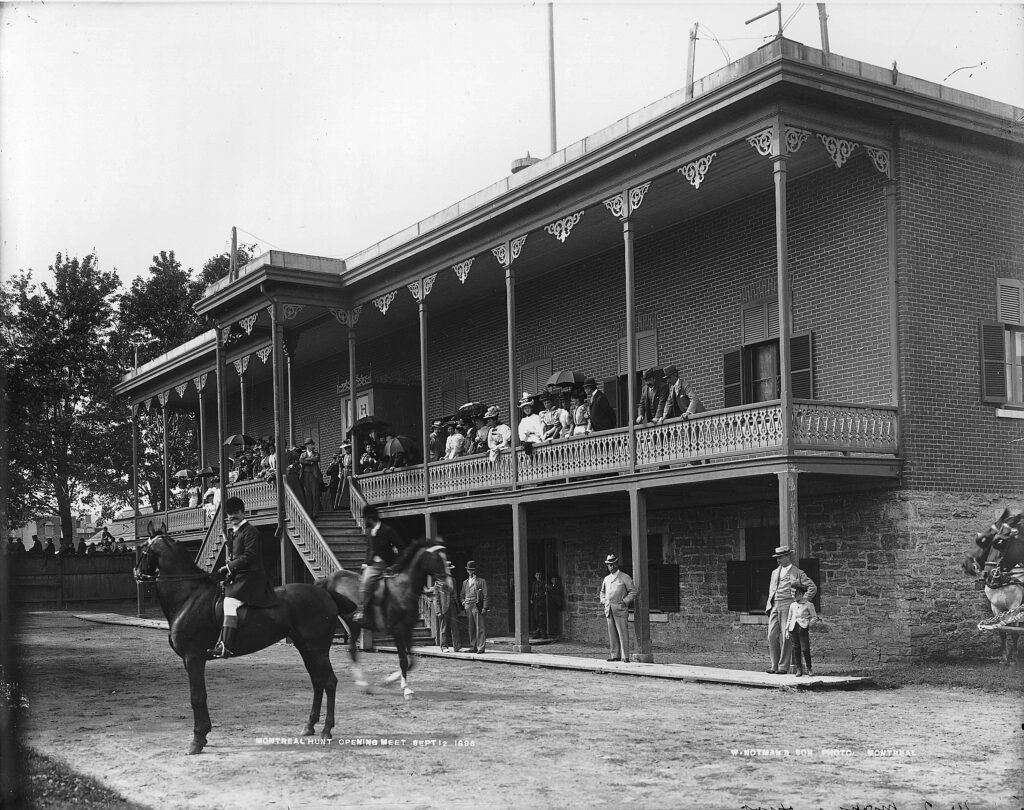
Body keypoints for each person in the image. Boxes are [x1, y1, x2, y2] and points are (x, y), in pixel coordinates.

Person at [206, 496, 278, 659]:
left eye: (236, 513)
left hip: (252, 576)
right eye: (229, 514)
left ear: (243, 512)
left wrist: (230, 566)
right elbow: (237, 556)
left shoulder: (251, 531)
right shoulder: (235, 532)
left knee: (230, 603)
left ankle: (226, 646)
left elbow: (250, 556)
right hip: (240, 575)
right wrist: (230, 560)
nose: (232, 517)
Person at [765, 544, 817, 674]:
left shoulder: (797, 573)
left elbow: (812, 587)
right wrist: (770, 605)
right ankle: (774, 665)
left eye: (780, 557)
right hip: (775, 605)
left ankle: (783, 667)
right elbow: (772, 590)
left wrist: (804, 602)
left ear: (787, 557)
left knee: (786, 636)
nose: (778, 560)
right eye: (777, 557)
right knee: (771, 635)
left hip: (788, 605)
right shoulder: (774, 572)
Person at [353, 505, 408, 624]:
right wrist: (365, 563)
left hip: (388, 564)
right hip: (374, 566)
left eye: (365, 518)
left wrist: (396, 565)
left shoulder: (387, 530)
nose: (364, 521)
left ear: (370, 518)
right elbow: (369, 548)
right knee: (365, 582)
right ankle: (361, 611)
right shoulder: (368, 531)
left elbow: (402, 547)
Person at [599, 553, 636, 662]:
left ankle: (625, 656)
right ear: (607, 566)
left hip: (620, 609)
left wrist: (625, 601)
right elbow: (602, 592)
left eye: (614, 564)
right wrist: (604, 601)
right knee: (612, 634)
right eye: (610, 565)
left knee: (622, 633)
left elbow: (633, 591)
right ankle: (615, 655)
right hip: (609, 610)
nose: (612, 566)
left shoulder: (624, 577)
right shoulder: (606, 579)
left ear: (617, 564)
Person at [785, 582, 819, 676]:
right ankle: (799, 669)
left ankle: (809, 668)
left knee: (805, 648)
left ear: (800, 593)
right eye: (791, 593)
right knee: (796, 648)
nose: (792, 595)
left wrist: (808, 624)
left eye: (794, 593)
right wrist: (787, 630)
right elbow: (789, 618)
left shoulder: (808, 604)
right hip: (793, 628)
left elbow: (814, 617)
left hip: (802, 628)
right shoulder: (792, 605)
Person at [432, 560, 461, 652]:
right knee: (444, 627)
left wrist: (458, 606)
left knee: (455, 627)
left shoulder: (453, 580)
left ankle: (457, 646)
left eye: (450, 569)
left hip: (453, 605)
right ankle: (444, 646)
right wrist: (438, 610)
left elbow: (455, 594)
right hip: (444, 607)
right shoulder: (438, 582)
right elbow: (436, 598)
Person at [460, 561, 489, 653]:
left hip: (477, 606)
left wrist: (484, 607)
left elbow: (485, 595)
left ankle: (480, 647)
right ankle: (473, 646)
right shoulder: (465, 582)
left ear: (475, 571)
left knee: (480, 627)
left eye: (473, 570)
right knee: (471, 627)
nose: (471, 572)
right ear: (467, 571)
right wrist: (464, 603)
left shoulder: (481, 581)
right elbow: (461, 595)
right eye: (469, 570)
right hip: (468, 606)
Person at [299, 438, 323, 518]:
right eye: (310, 444)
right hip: (306, 475)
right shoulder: (303, 454)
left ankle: (315, 513)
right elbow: (301, 461)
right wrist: (310, 461)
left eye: (312, 444)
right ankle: (309, 513)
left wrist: (307, 460)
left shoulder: (316, 453)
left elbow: (316, 459)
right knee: (307, 494)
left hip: (314, 475)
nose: (312, 446)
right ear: (307, 446)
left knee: (315, 494)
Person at [530, 571, 547, 638]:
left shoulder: (543, 583)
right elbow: (533, 591)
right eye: (537, 575)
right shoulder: (534, 583)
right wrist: (531, 599)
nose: (538, 576)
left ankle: (543, 632)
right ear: (535, 576)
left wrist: (541, 595)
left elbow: (545, 592)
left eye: (539, 575)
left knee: (541, 616)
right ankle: (537, 631)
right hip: (536, 601)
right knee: (536, 616)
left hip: (541, 601)